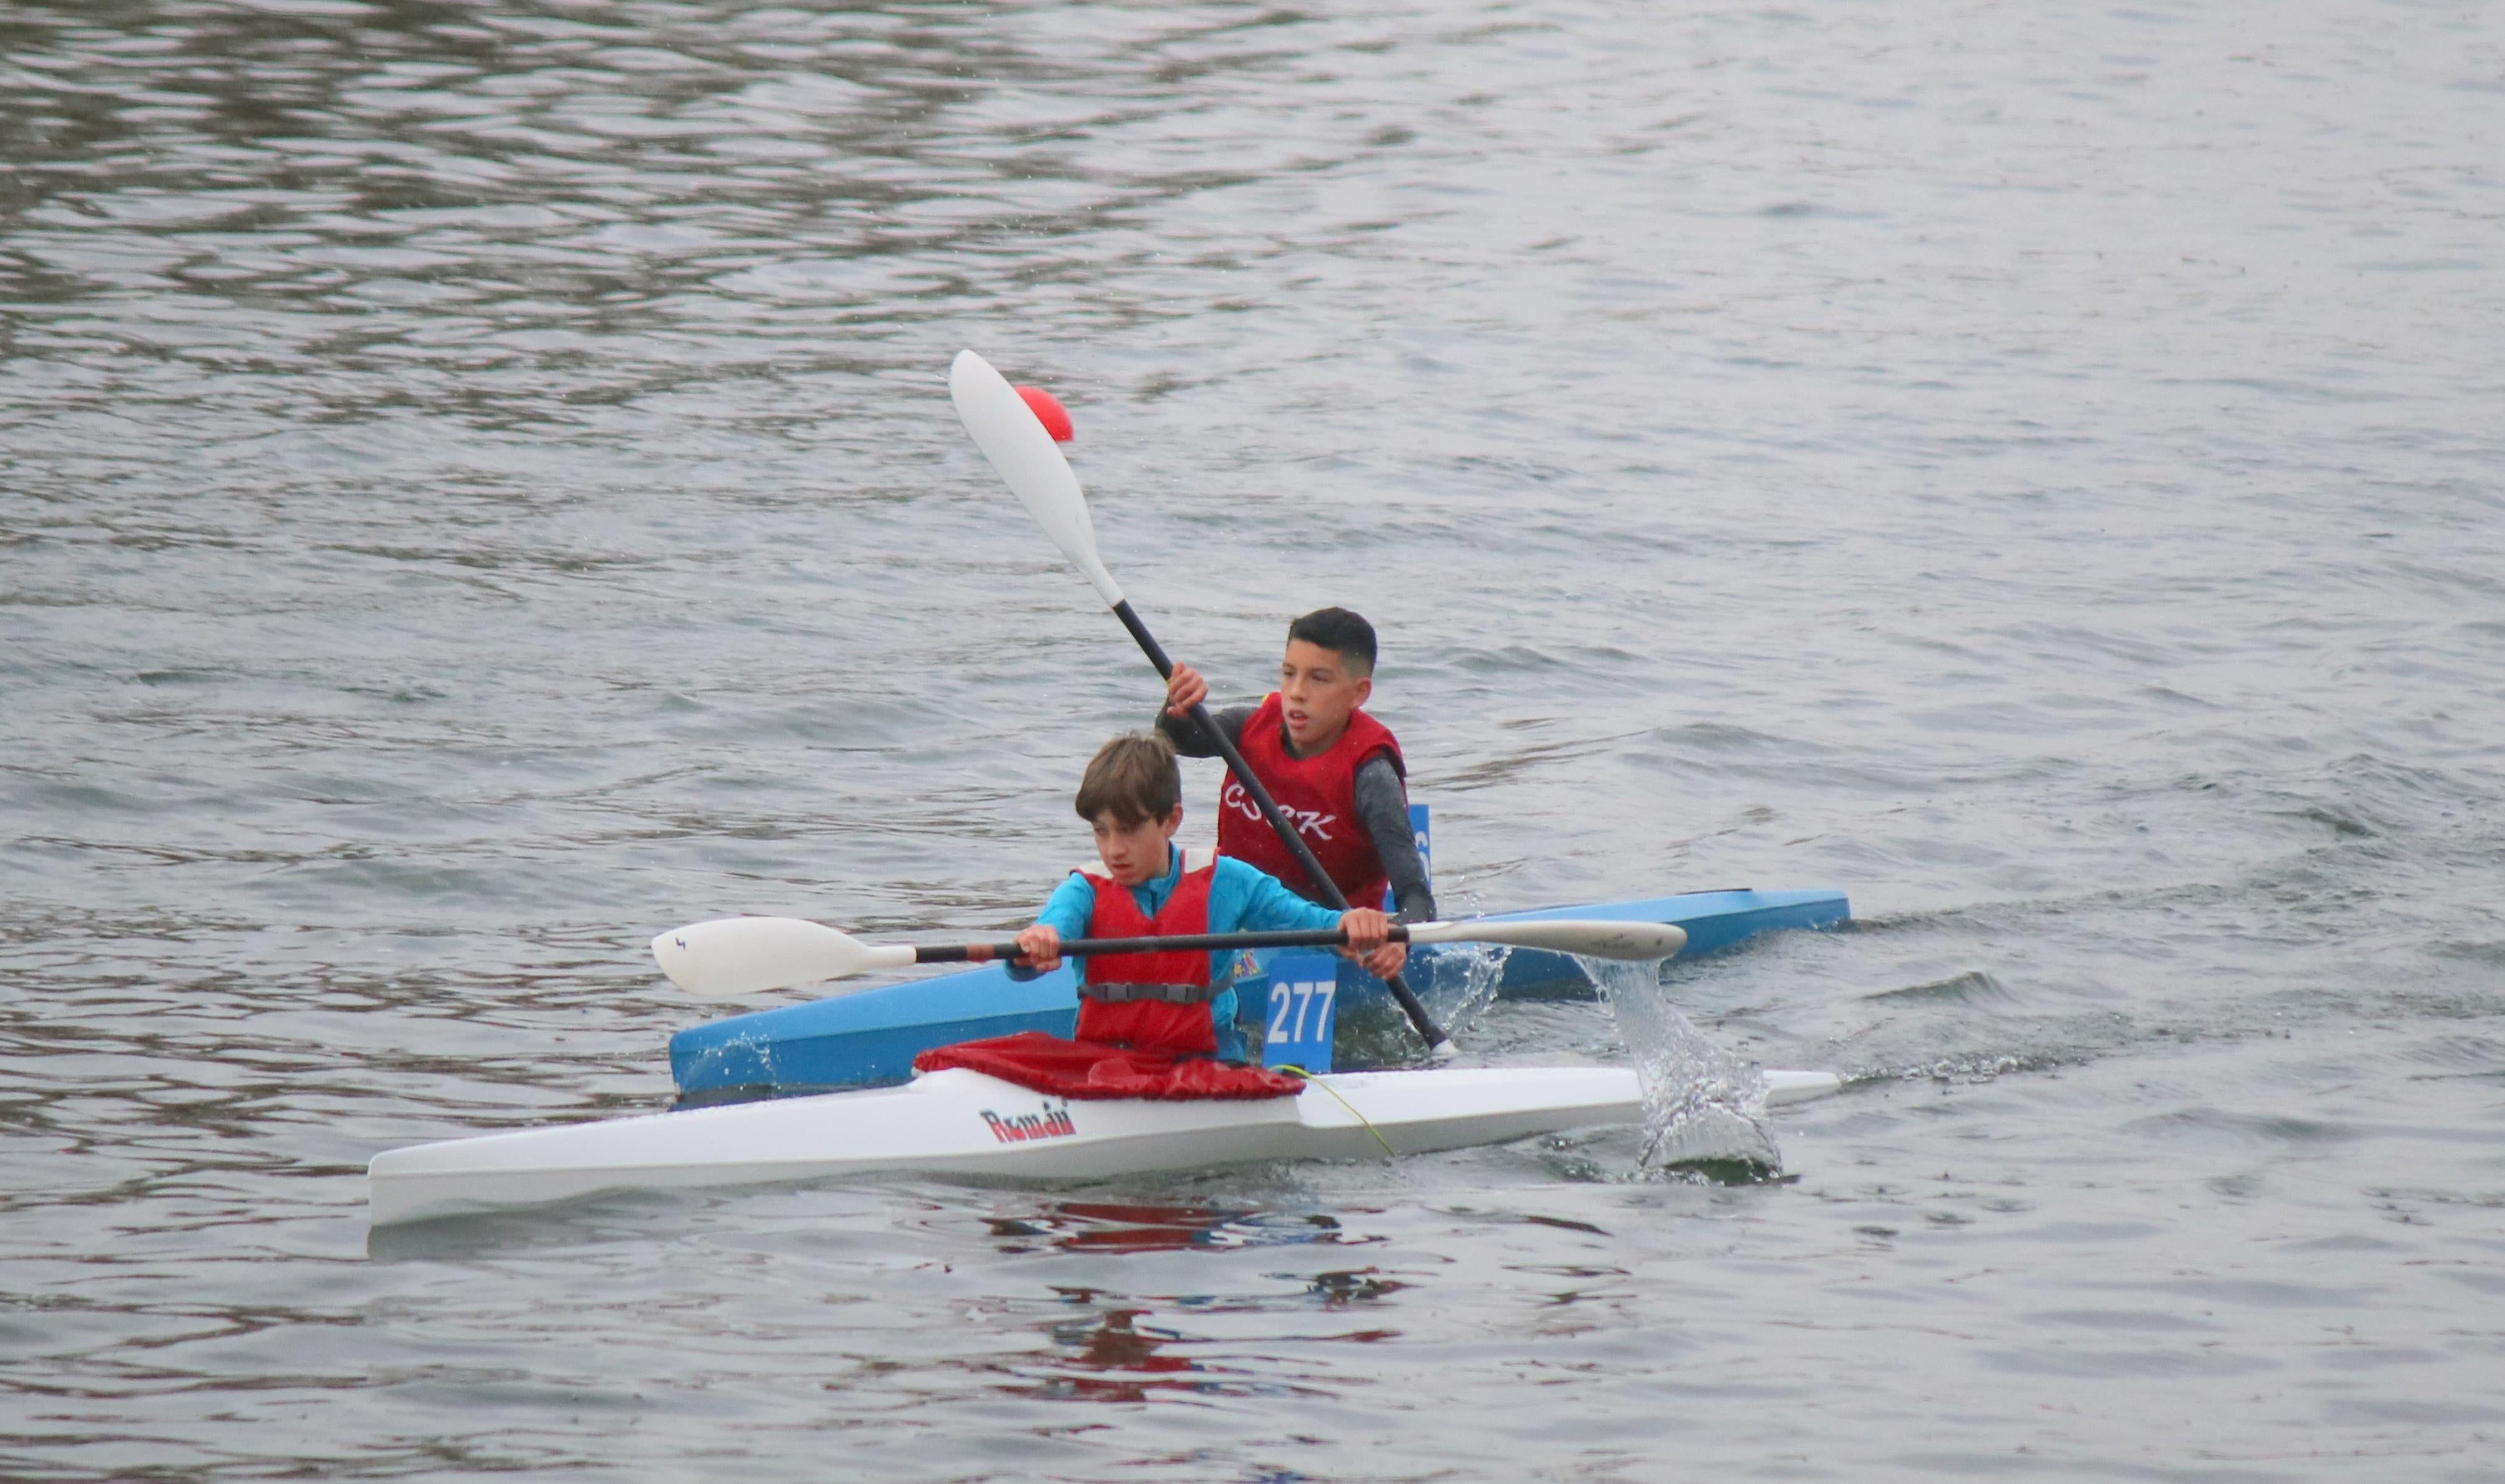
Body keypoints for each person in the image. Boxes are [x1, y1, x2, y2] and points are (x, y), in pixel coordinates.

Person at [911, 732, 1396, 1099]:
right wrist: (1033, 949)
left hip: (1208, 1067)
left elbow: (1309, 925)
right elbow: (1046, 935)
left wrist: (1352, 927)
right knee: (960, 1060)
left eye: (1128, 829)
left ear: (1171, 820)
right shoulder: (1083, 888)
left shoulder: (1228, 881)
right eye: (1101, 832)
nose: (1113, 849)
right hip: (1104, 1067)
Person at [1157, 607, 1432, 981]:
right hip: (1237, 916)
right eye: (1289, 674)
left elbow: (1415, 894)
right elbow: (1175, 741)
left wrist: (1399, 938)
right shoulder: (1249, 728)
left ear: (1358, 693)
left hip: (1326, 934)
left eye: (1319, 679)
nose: (1297, 693)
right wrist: (1177, 706)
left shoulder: (1371, 775)